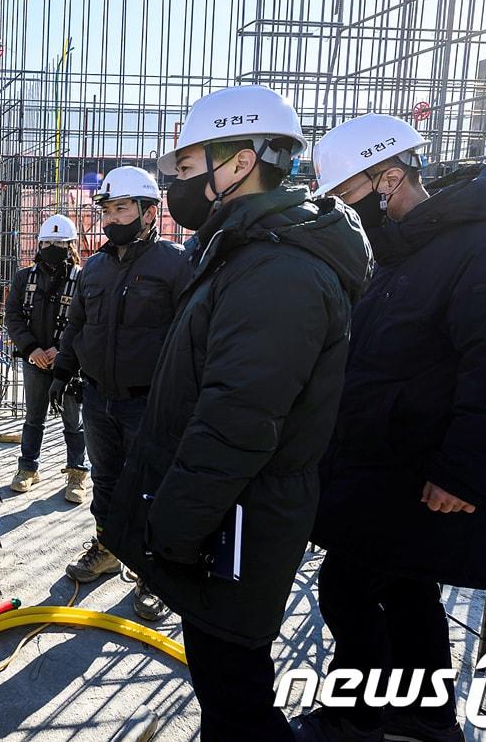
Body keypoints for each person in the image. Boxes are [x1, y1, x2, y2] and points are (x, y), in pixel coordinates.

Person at [100, 85, 371, 742]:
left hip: (235, 529)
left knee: (237, 702)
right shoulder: (243, 255)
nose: (177, 189)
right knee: (227, 686)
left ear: (242, 161)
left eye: (189, 170)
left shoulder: (278, 270)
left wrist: (174, 528)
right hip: (226, 523)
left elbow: (237, 422)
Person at [290, 114, 486, 742]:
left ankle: (358, 721)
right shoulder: (404, 257)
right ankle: (426, 720)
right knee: (403, 597)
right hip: (384, 471)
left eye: (347, 197)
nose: (344, 212)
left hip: (426, 477)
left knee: (351, 590)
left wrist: (464, 471)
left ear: (389, 179)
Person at [50, 165, 191, 622]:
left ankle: (154, 574)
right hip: (98, 398)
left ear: (150, 213)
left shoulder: (175, 265)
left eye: (122, 208)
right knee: (106, 481)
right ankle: (110, 547)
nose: (111, 218)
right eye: (107, 209)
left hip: (149, 401)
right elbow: (77, 325)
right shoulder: (94, 266)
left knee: (152, 487)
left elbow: (194, 336)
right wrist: (63, 369)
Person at [3, 213, 88, 502]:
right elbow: (13, 317)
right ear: (39, 244)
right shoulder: (24, 278)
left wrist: (62, 350)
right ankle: (28, 469)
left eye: (61, 243)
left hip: (69, 362)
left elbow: (87, 321)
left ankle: (77, 474)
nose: (53, 247)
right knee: (34, 417)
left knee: (73, 420)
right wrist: (32, 350)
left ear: (71, 246)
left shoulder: (83, 279)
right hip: (35, 360)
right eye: (48, 242)